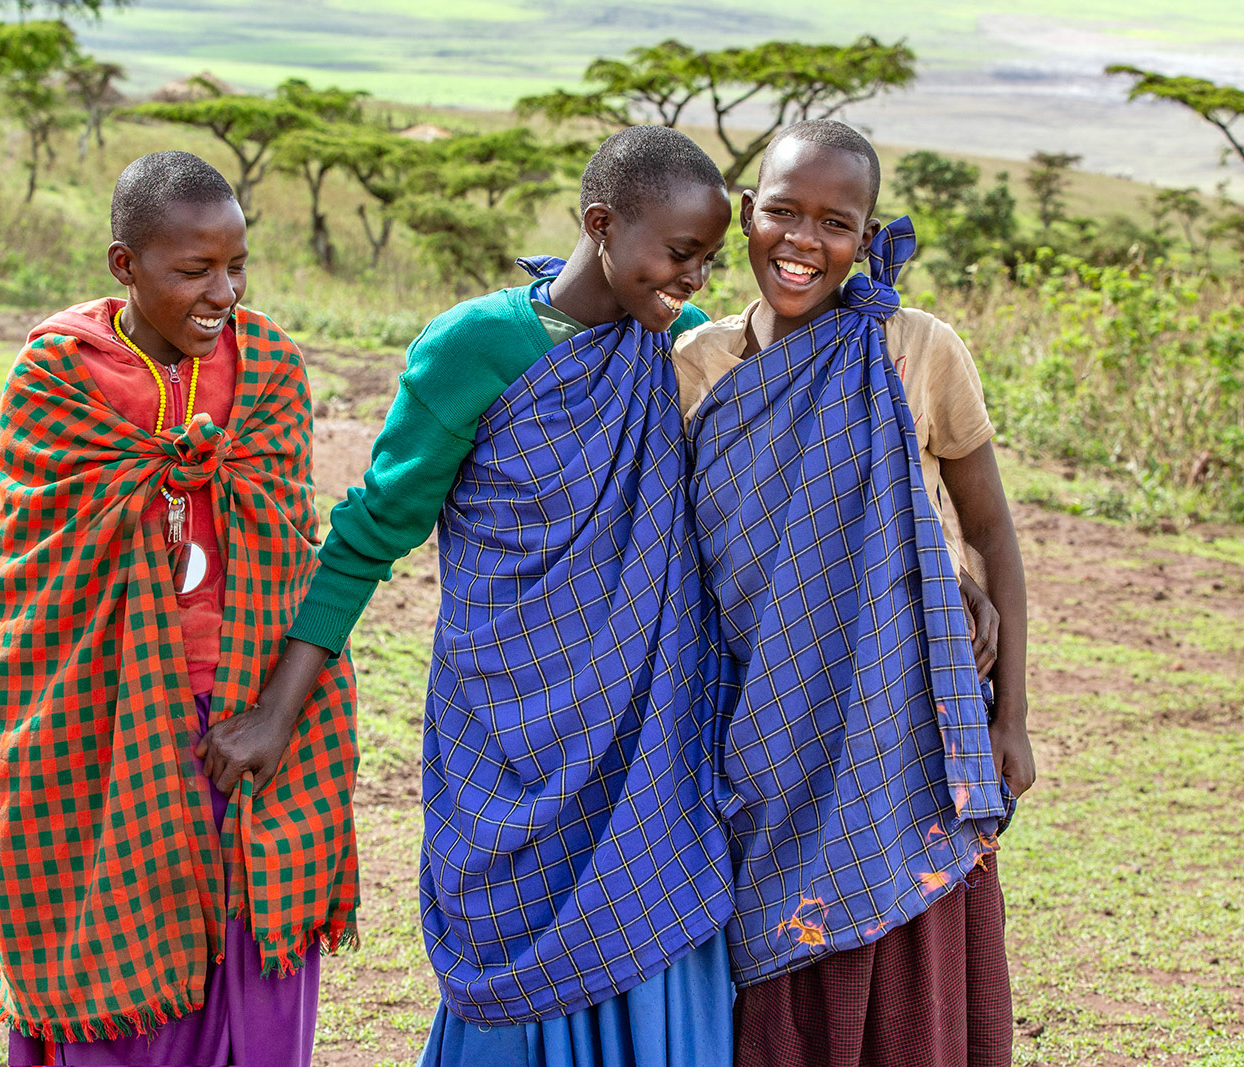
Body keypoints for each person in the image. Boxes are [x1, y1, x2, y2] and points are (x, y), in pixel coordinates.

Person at [251, 125, 737, 1066]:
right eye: (681, 256)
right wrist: (279, 711)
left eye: (710, 262)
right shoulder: (475, 346)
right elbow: (369, 530)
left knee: (653, 944)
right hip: (507, 726)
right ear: (602, 224)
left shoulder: (686, 353)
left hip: (648, 738)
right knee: (508, 963)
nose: (696, 282)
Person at [673, 119, 1036, 1067]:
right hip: (759, 712)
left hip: (903, 705)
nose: (803, 242)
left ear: (869, 238)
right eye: (783, 212)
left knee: (912, 939)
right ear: (746, 216)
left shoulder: (915, 348)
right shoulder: (696, 362)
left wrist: (1015, 721)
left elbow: (989, 527)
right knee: (778, 940)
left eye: (836, 222)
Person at [0, 151, 358, 1066]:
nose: (222, 291)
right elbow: (36, 577)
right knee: (122, 928)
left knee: (260, 912)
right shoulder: (58, 379)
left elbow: (288, 538)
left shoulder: (266, 367)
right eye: (194, 270)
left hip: (258, 701)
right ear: (126, 266)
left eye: (236, 266)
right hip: (103, 715)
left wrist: (270, 712)